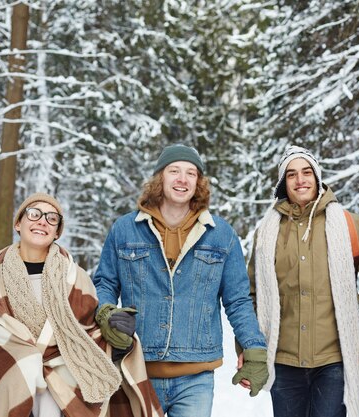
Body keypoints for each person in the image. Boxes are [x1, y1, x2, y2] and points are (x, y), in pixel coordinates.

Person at [93, 144, 268, 417]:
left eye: (191, 173)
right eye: (174, 171)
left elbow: (238, 300)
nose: (182, 179)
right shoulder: (125, 229)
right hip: (136, 368)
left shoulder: (221, 235)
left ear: (198, 183)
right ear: (159, 178)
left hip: (195, 378)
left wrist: (254, 346)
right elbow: (105, 283)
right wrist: (106, 312)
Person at [0, 192, 161, 417]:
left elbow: (90, 334)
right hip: (11, 374)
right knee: (24, 370)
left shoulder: (75, 277)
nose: (42, 221)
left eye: (52, 218)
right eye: (34, 214)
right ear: (18, 223)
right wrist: (27, 360)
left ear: (57, 232)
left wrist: (118, 334)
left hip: (67, 380)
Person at [249, 145, 359, 417]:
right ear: (283, 183)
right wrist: (248, 348)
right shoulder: (267, 232)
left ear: (317, 176)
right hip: (283, 361)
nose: (300, 180)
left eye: (306, 172)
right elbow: (251, 295)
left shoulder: (349, 224)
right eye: (291, 175)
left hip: (333, 361)